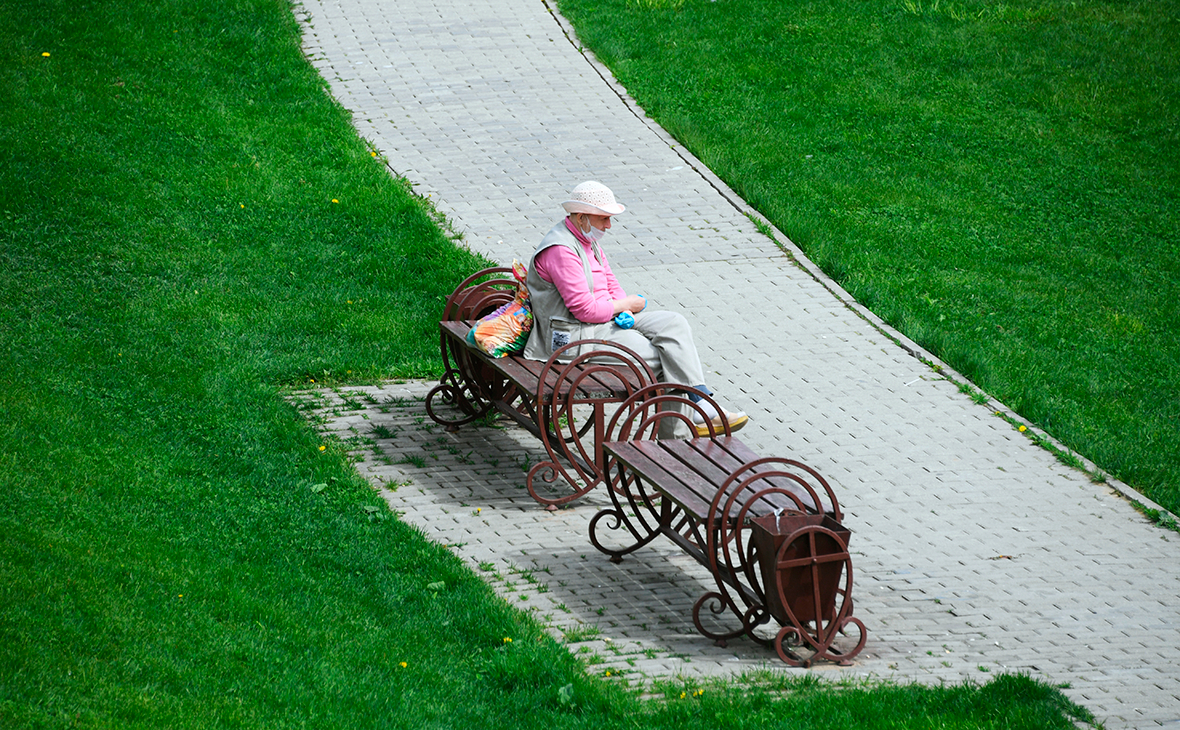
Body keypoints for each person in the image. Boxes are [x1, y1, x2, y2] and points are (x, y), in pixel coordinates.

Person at [522, 180, 748, 437]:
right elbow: (583, 310)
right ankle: (677, 441)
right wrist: (626, 304)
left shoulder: (586, 239)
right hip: (574, 336)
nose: (608, 225)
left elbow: (610, 282)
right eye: (604, 218)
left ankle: (699, 401)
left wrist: (625, 310)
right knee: (665, 358)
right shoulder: (561, 251)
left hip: (602, 321)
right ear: (582, 216)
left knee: (673, 323)